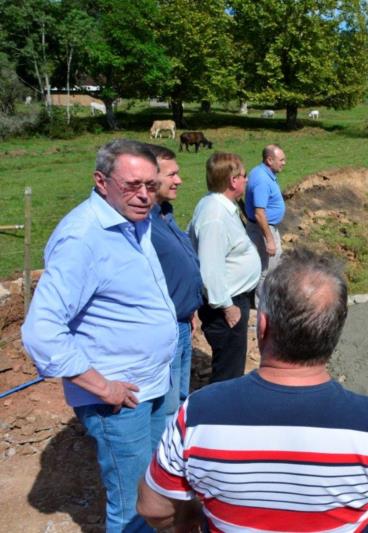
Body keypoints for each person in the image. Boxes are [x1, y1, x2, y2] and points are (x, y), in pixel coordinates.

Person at [138, 247, 368, 533]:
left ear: (262, 327)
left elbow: (153, 509)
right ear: (333, 333)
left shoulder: (197, 414)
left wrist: (197, 516)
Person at [22, 139, 178, 532]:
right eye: (132, 185)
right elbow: (42, 332)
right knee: (134, 506)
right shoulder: (83, 238)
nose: (144, 195)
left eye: (150, 184)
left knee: (158, 490)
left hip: (152, 382)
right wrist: (102, 387)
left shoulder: (133, 221)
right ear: (100, 181)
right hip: (119, 399)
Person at [188, 152, 260, 384]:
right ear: (233, 180)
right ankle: (220, 415)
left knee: (231, 364)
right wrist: (227, 307)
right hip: (225, 305)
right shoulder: (215, 217)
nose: (247, 180)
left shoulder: (218, 206)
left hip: (231, 299)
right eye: (244, 175)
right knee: (228, 372)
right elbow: (210, 269)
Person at [146, 144, 203, 417]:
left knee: (180, 395)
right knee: (166, 406)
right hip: (163, 329)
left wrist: (189, 308)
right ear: (150, 176)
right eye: (172, 174)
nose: (179, 180)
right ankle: (164, 455)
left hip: (182, 322)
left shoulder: (164, 213)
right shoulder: (141, 222)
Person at [245, 144, 286, 291]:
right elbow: (259, 213)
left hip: (264, 227)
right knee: (267, 271)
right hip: (263, 228)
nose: (284, 163)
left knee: (270, 268)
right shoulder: (262, 179)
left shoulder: (260, 172)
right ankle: (263, 308)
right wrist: (269, 240)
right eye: (281, 160)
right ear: (269, 160)